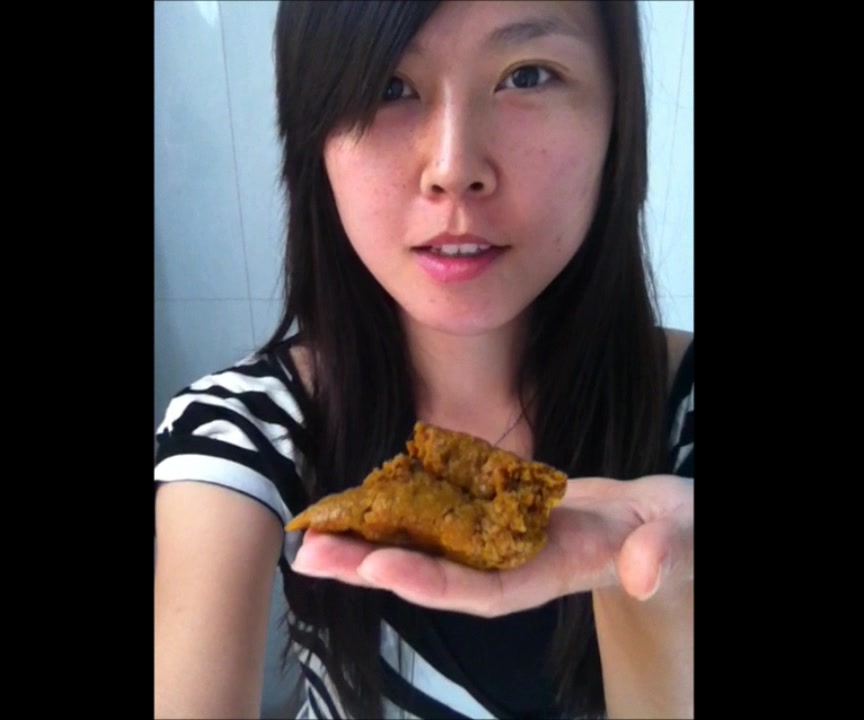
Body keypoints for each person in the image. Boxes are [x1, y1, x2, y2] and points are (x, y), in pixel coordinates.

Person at [153, 1, 694, 718]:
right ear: (315, 138)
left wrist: (661, 584)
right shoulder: (239, 432)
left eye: (527, 75)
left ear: (617, 117)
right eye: (388, 85)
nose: (452, 168)